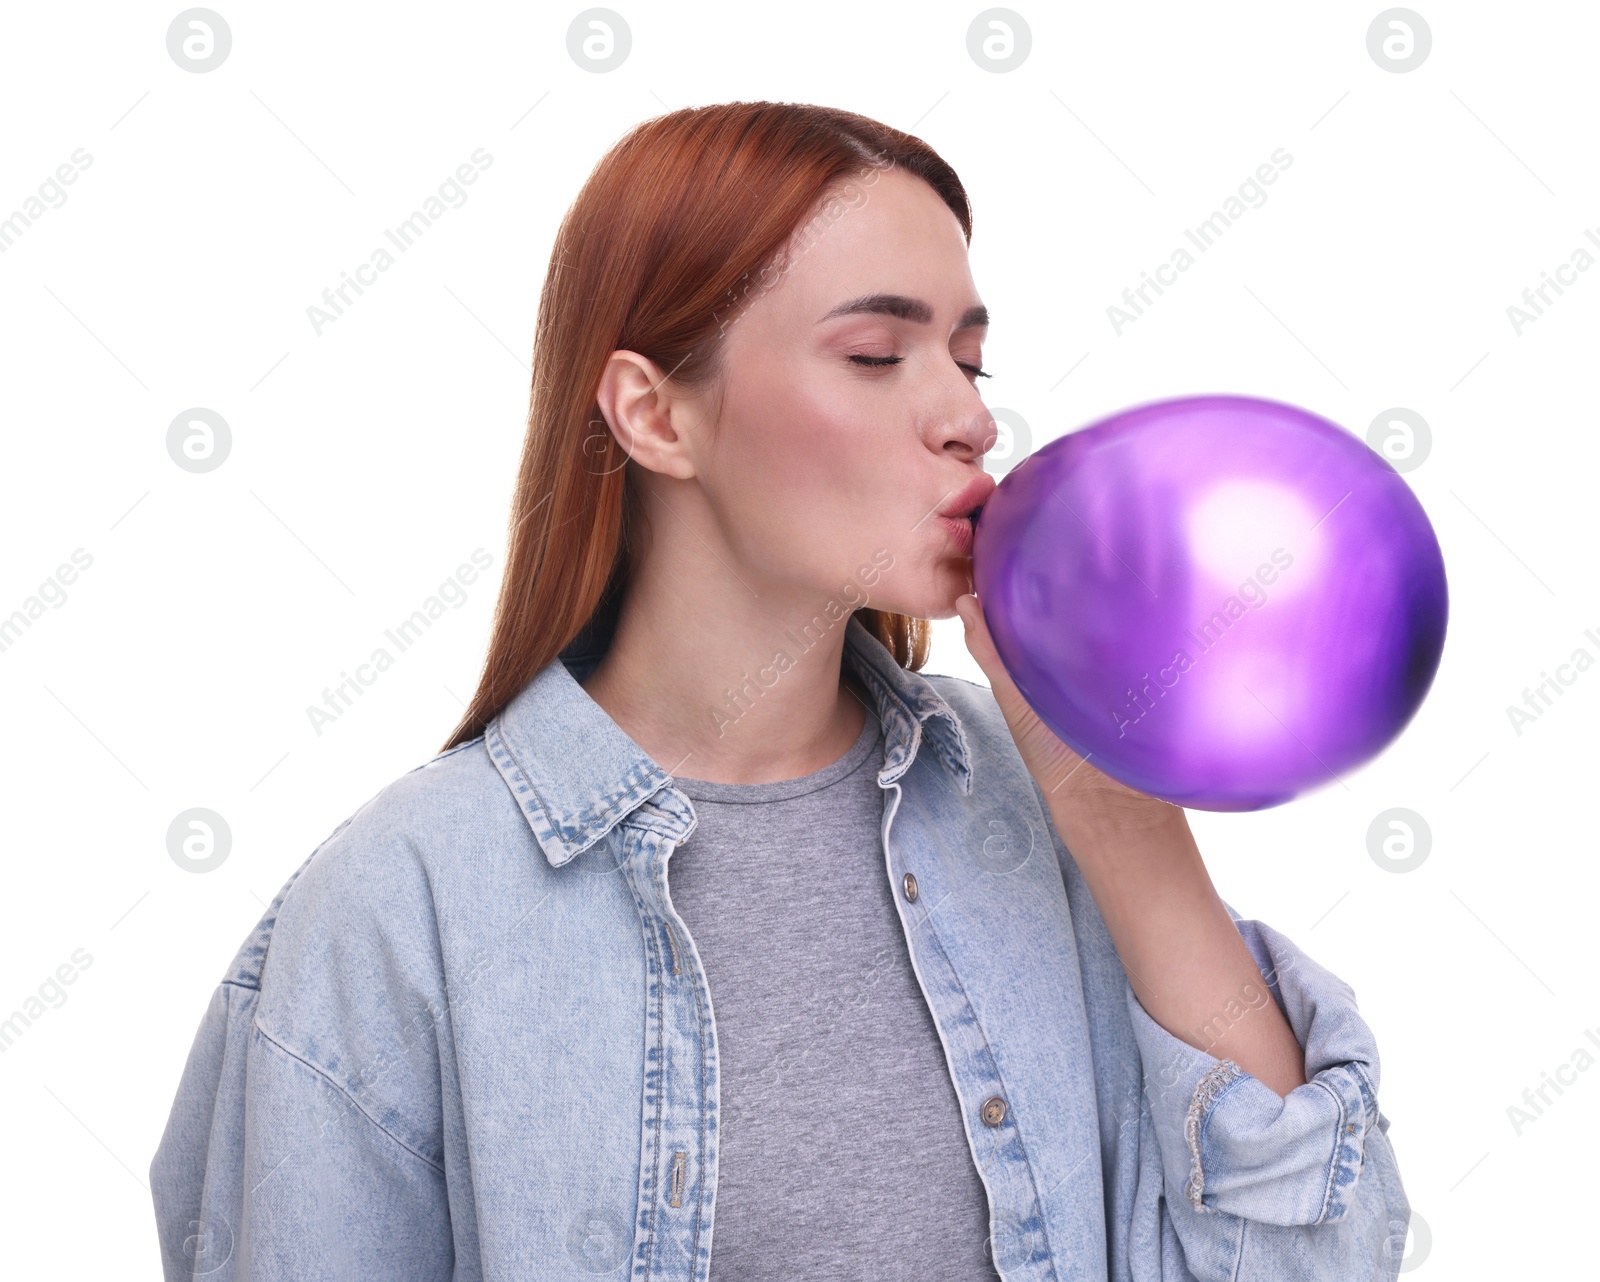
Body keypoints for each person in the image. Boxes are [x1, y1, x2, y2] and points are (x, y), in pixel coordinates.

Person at [149, 101, 1411, 1281]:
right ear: (654, 415)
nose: (969, 416)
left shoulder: (1044, 811)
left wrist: (1120, 819)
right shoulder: (402, 902)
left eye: (969, 359)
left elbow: (1308, 1259)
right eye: (875, 353)